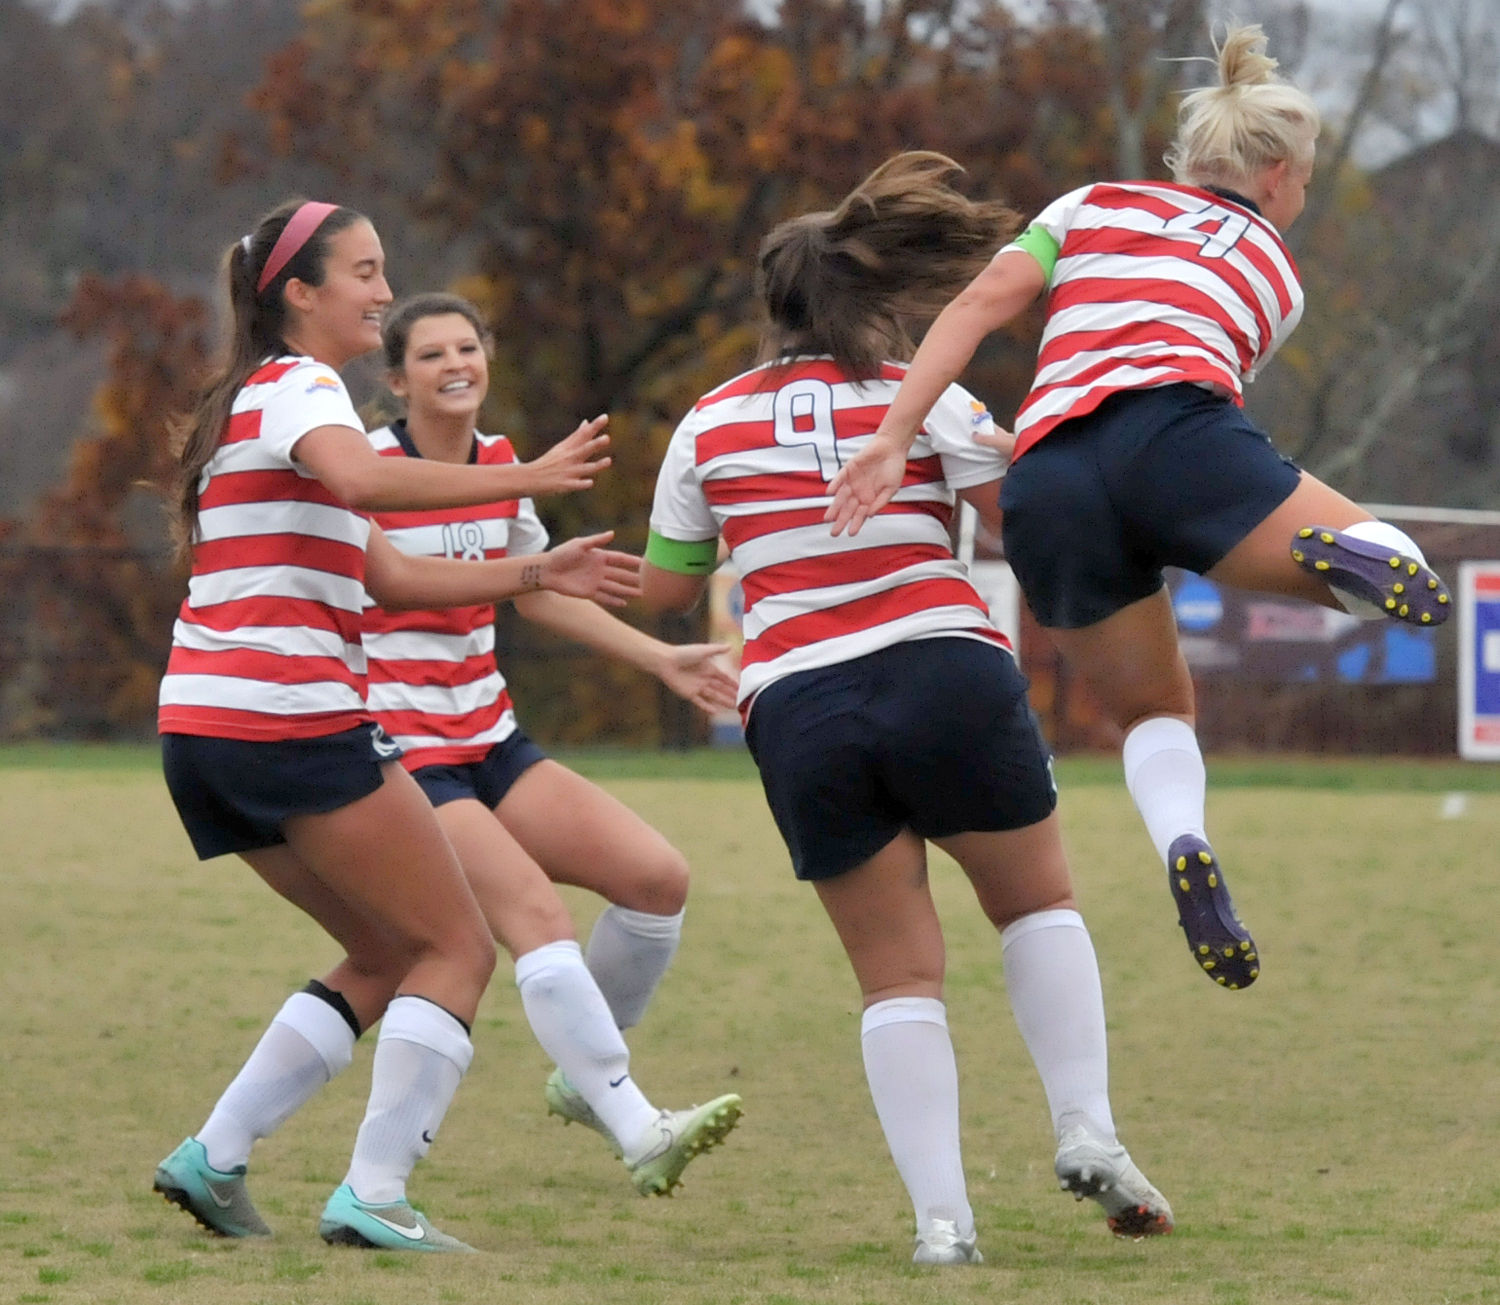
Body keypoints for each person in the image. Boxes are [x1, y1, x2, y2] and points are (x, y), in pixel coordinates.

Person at [825, 26, 1451, 993]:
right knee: (1395, 567)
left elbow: (978, 307)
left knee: (1155, 709)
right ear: (1277, 174)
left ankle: (1184, 839)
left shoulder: (1089, 204)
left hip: (1045, 479)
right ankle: (1348, 554)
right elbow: (1172, 387)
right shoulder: (1278, 275)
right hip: (1179, 438)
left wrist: (897, 434)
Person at [640, 152, 1172, 1265]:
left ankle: (943, 1225)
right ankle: (1087, 1127)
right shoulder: (917, 398)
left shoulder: (704, 426)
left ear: (769, 310)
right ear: (869, 299)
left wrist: (557, 574)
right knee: (1037, 909)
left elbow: (663, 593)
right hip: (942, 671)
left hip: (796, 706)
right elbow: (1016, 514)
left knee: (896, 979)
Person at [151, 198, 641, 1253]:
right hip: (288, 718)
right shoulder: (302, 386)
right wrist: (527, 473)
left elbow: (385, 569)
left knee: (380, 950)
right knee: (458, 945)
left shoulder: (255, 399)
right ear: (300, 293)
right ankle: (373, 1194)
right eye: (366, 274)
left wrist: (533, 569)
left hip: (204, 727)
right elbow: (369, 478)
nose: (383, 290)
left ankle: (213, 1156)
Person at [360, 291, 743, 1195]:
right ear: (395, 378)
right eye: (430, 355)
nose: (455, 365)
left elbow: (537, 594)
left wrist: (662, 660)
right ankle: (635, 1121)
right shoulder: (369, 472)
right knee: (536, 919)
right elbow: (399, 586)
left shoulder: (501, 466)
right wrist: (533, 554)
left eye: (469, 347)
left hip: (488, 736)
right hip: (406, 754)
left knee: (657, 879)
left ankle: (585, 1070)